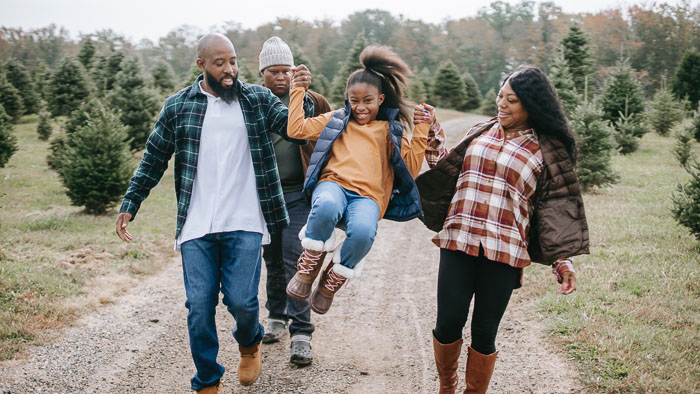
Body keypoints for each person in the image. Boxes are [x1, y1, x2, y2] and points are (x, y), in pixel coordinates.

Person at [114, 33, 314, 393]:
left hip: (245, 220)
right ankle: (207, 379)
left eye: (233, 62)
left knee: (242, 301)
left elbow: (296, 130)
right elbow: (154, 157)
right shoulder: (178, 106)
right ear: (201, 65)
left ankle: (249, 342)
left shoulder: (255, 98)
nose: (229, 70)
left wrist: (299, 94)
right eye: (220, 63)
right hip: (197, 224)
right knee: (199, 307)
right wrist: (131, 203)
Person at [415, 65, 589, 394]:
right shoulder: (483, 131)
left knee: (484, 331)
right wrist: (432, 129)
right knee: (448, 322)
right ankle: (447, 385)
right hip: (459, 240)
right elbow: (447, 165)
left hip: (504, 253)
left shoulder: (546, 151)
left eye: (511, 100)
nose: (501, 104)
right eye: (500, 96)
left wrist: (562, 260)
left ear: (531, 106)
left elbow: (554, 212)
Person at [285, 45, 432, 314]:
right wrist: (298, 90)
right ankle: (309, 264)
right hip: (334, 185)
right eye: (354, 100)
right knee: (327, 206)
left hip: (368, 198)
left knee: (364, 233)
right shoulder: (336, 121)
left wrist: (421, 128)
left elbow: (410, 171)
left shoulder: (390, 130)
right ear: (347, 99)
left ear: (381, 99)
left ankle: (332, 280)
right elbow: (296, 129)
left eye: (368, 100)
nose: (360, 107)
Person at [257, 36, 331, 366]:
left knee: (295, 259)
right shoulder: (255, 102)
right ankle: (276, 316)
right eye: (273, 71)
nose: (281, 77)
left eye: (286, 70)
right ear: (263, 74)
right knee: (271, 259)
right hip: (264, 197)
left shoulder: (311, 100)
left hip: (299, 196)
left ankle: (301, 333)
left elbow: (330, 138)